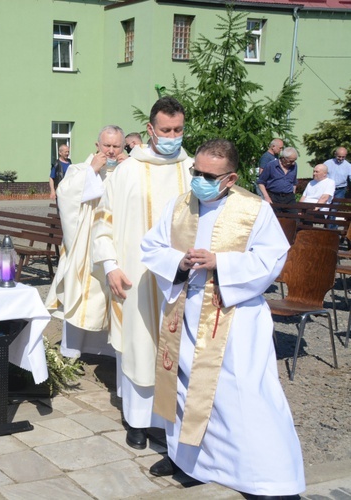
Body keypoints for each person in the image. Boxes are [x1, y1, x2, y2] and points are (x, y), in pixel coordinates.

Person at [140, 138, 304, 497]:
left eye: (208, 175)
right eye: (195, 171)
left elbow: (272, 259)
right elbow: (151, 246)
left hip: (234, 316)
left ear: (230, 179)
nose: (199, 180)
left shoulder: (254, 210)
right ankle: (189, 462)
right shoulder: (181, 205)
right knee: (184, 391)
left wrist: (221, 262)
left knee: (243, 396)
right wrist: (178, 262)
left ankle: (268, 478)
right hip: (185, 308)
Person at [94, 96, 193, 450]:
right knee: (138, 346)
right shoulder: (127, 171)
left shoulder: (192, 169)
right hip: (136, 276)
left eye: (178, 129)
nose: (172, 136)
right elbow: (103, 220)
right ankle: (137, 421)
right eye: (165, 130)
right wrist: (110, 266)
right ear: (151, 129)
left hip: (182, 279)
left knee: (176, 348)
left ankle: (169, 420)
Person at [45, 125, 126, 359]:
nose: (111, 151)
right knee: (84, 295)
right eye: (107, 145)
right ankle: (74, 350)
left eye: (116, 146)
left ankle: (111, 350)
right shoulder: (81, 169)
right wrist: (92, 171)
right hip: (86, 244)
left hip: (116, 242)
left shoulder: (126, 170)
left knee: (112, 296)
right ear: (97, 145)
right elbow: (65, 194)